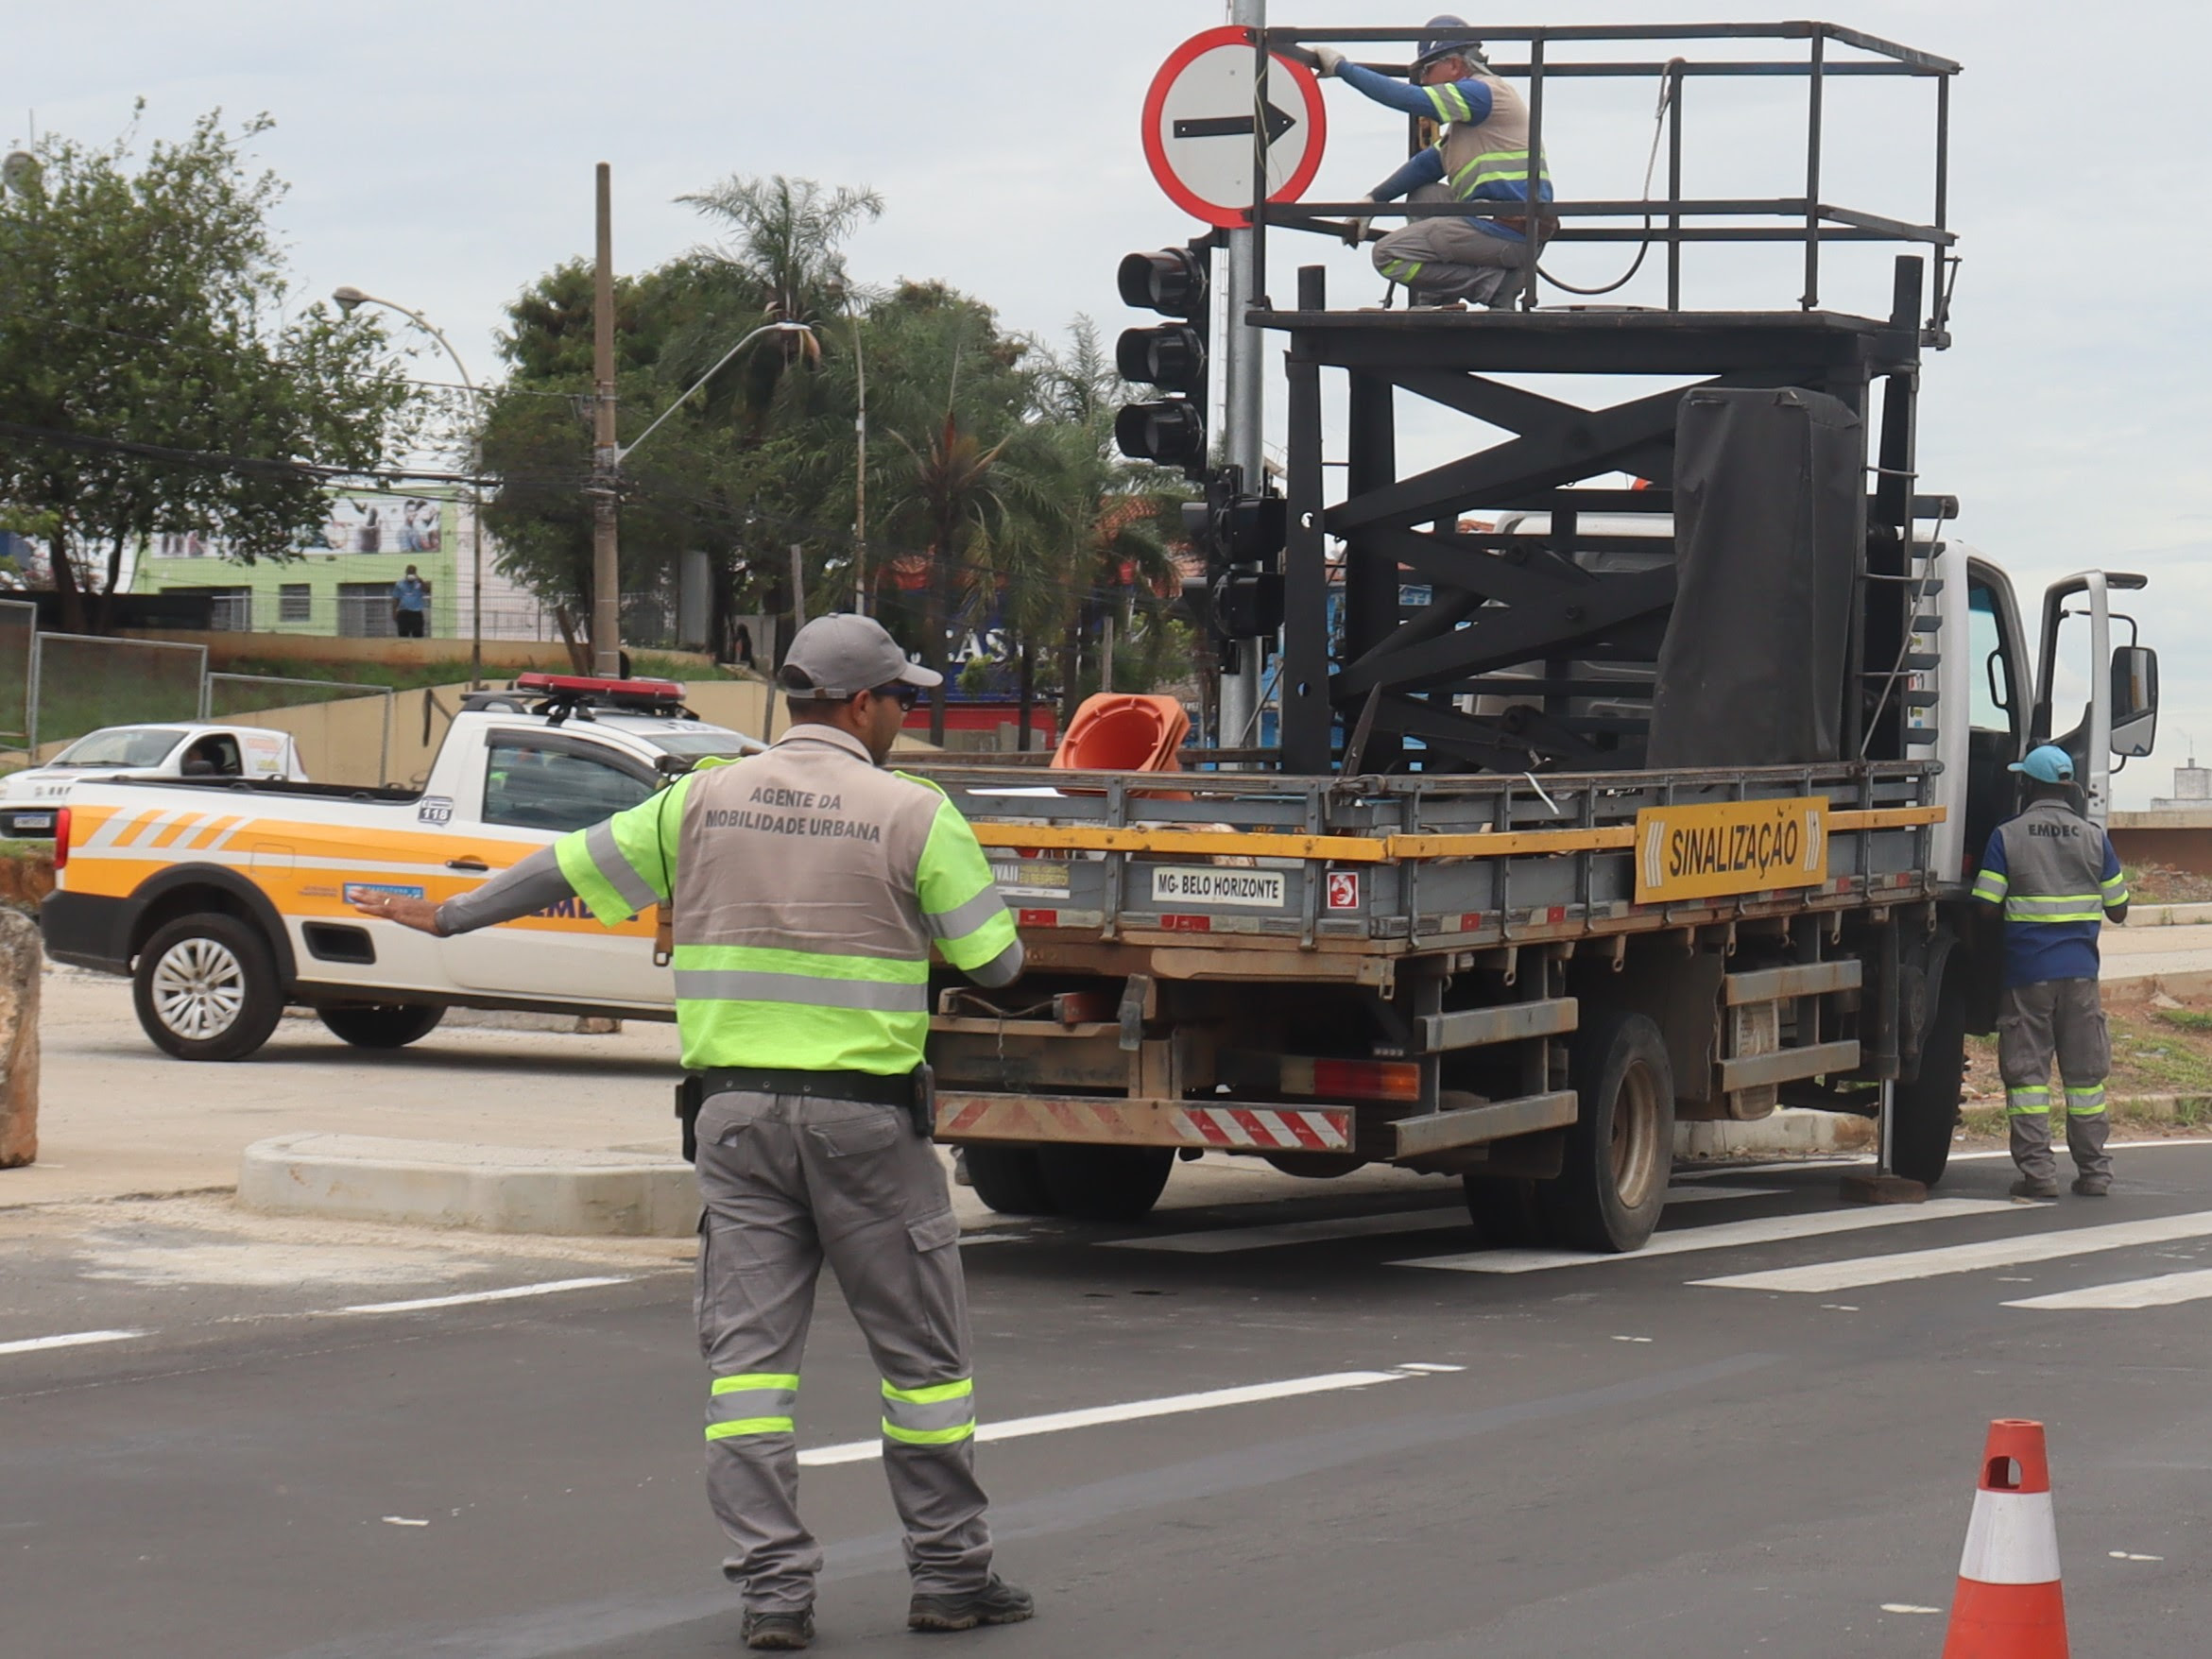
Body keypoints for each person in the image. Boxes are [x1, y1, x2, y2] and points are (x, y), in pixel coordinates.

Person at [352, 612, 1034, 1651]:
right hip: (864, 1128)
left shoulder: (699, 799)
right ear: (858, 705)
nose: (905, 713)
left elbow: (562, 869)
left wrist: (448, 919)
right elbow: (997, 965)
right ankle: (948, 1577)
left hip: (734, 1124)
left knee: (748, 1372)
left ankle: (773, 1593)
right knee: (923, 1366)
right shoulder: (913, 812)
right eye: (901, 696)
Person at [1971, 744, 2130, 1199]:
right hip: (2081, 977)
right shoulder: (2094, 837)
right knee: (2085, 1082)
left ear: (2027, 785)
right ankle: (2095, 1173)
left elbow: (1985, 905)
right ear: (2068, 788)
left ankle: (2039, 1175)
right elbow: (2118, 910)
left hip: (2027, 976)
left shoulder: (2008, 836)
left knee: (2028, 1080)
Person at [1312, 16, 1556, 308]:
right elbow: (1425, 166)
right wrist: (1372, 201)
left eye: (1427, 70)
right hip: (1499, 227)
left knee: (1387, 256)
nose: (1424, 80)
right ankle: (1440, 297)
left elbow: (1408, 98)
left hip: (1505, 231)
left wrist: (1341, 68)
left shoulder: (1481, 93)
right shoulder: (1471, 121)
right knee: (1423, 196)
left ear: (1454, 64)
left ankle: (1491, 286)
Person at [391, 565, 428, 638]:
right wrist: (394, 612)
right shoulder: (399, 584)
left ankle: (417, 649)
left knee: (418, 636)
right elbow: (396, 598)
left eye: (412, 573)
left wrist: (421, 581)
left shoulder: (419, 583)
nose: (411, 574)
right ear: (406, 573)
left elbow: (427, 590)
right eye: (409, 573)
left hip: (416, 613)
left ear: (415, 573)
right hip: (403, 613)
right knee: (403, 636)